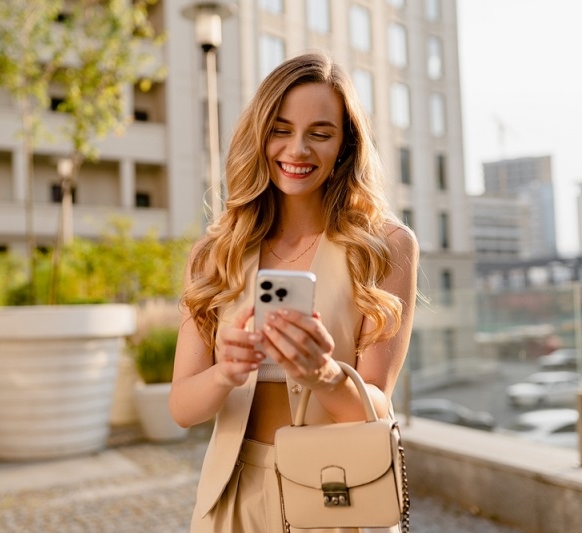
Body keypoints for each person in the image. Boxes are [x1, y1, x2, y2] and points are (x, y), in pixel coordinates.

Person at [169, 52, 419, 533]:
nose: (298, 149)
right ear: (259, 136)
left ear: (345, 144)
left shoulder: (387, 247)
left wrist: (323, 373)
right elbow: (182, 408)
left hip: (336, 494)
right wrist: (226, 371)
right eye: (281, 129)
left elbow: (376, 403)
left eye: (320, 133)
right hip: (233, 497)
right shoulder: (214, 253)